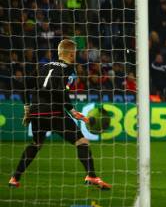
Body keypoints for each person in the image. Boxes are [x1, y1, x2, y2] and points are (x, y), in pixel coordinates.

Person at [9, 39, 110, 189]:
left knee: (36, 144)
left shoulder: (44, 66)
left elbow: (24, 85)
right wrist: (71, 110)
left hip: (37, 112)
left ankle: (14, 178)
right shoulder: (69, 70)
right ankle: (92, 176)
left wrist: (27, 108)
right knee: (82, 142)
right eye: (74, 53)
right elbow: (60, 91)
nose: (75, 56)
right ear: (70, 54)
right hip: (54, 112)